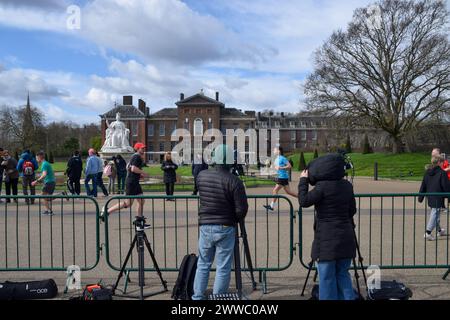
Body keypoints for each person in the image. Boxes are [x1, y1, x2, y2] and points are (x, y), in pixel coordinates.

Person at [192, 145, 248, 300]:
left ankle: (197, 296)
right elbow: (241, 209)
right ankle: (218, 298)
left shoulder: (201, 176)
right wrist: (234, 218)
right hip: (225, 225)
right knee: (223, 267)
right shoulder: (234, 181)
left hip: (205, 224)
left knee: (203, 264)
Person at [298, 155, 357, 301]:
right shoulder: (347, 186)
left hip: (326, 240)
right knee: (343, 275)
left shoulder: (322, 187)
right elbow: (352, 210)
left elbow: (304, 201)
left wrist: (303, 181)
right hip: (346, 236)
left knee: (326, 277)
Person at [101, 143, 150, 230]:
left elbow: (129, 168)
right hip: (132, 183)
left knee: (141, 201)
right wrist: (143, 173)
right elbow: (133, 168)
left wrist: (139, 175)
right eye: (142, 148)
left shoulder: (134, 157)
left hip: (134, 182)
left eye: (144, 148)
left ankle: (139, 222)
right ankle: (106, 211)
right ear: (137, 149)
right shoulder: (137, 157)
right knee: (128, 203)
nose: (143, 150)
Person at [419, 156, 450, 241]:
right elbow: (446, 186)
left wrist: (420, 197)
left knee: (435, 213)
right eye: (442, 162)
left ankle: (439, 230)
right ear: (439, 162)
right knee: (435, 213)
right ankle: (428, 232)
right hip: (438, 196)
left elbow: (423, 185)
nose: (443, 164)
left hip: (430, 196)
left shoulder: (427, 172)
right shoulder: (442, 173)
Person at [263, 147, 298, 211]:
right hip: (281, 177)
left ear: (279, 151)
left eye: (275, 150)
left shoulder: (282, 158)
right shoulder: (276, 159)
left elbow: (289, 166)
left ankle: (271, 206)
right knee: (288, 192)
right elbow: (275, 167)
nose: (274, 151)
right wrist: (268, 165)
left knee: (275, 190)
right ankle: (301, 197)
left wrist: (281, 168)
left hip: (282, 177)